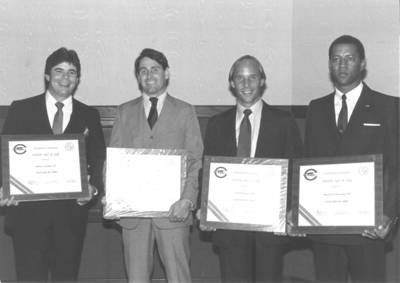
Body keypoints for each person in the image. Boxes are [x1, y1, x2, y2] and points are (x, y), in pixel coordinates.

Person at [0, 47, 106, 281]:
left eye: (72, 72)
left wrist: (94, 190)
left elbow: (99, 160)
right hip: (28, 217)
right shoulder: (21, 109)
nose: (65, 78)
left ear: (78, 79)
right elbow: (4, 155)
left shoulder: (89, 115)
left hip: (69, 220)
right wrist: (5, 187)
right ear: (47, 75)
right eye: (59, 71)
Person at [304, 35, 399, 282]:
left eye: (349, 59)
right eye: (336, 59)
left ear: (363, 63)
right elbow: (307, 165)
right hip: (325, 228)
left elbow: (397, 167)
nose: (342, 65)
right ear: (329, 65)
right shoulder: (315, 108)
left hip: (368, 229)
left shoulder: (388, 106)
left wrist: (389, 215)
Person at [202, 55, 302, 282]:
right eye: (240, 78)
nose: (246, 84)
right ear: (232, 83)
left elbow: (296, 169)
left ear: (262, 81)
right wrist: (204, 209)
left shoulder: (283, 122)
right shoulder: (217, 124)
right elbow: (207, 171)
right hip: (229, 229)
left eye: (252, 77)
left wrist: (289, 211)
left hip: (270, 229)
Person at [108, 48, 203, 283]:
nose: (149, 75)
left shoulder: (185, 111)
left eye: (155, 69)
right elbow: (114, 161)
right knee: (136, 278)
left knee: (178, 277)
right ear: (138, 77)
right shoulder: (124, 112)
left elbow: (195, 160)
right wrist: (111, 197)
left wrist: (188, 200)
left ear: (167, 73)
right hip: (133, 215)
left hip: (174, 212)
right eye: (143, 71)